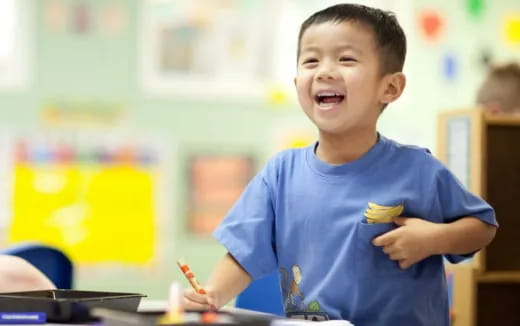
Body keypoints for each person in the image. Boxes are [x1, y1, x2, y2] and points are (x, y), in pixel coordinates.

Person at [183, 4, 498, 325]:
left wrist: (435, 239)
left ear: (390, 87)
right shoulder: (281, 173)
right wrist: (213, 294)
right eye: (311, 60)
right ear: (297, 84)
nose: (324, 71)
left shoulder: (418, 169)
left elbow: (482, 227)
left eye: (346, 59)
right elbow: (244, 256)